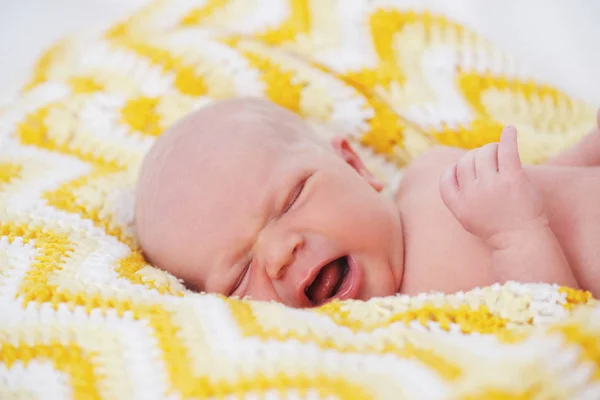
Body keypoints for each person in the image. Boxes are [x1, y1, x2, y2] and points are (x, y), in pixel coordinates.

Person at [135, 97, 600, 307]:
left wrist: (586, 151)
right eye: (238, 277)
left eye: (293, 198)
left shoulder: (430, 170)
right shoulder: (420, 311)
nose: (278, 255)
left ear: (356, 168)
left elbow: (543, 180)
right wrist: (519, 234)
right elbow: (554, 324)